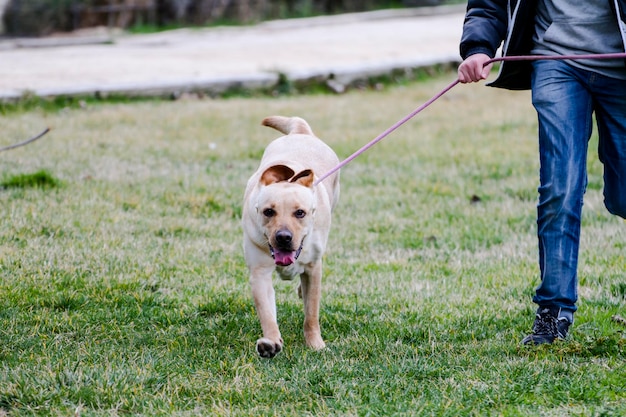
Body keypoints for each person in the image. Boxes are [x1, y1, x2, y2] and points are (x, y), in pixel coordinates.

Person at [457, 0, 626, 345]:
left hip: (619, 66)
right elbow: (488, 3)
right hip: (556, 64)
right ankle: (553, 311)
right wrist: (478, 46)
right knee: (560, 189)